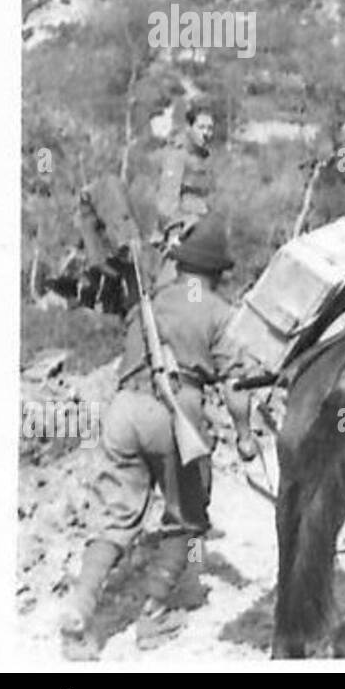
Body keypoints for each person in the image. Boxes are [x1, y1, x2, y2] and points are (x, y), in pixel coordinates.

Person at [59, 215, 259, 657]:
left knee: (115, 517)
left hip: (124, 409)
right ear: (217, 272)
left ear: (181, 262)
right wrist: (244, 436)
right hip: (176, 414)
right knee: (185, 513)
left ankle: (79, 609)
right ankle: (154, 613)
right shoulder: (222, 313)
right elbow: (234, 385)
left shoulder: (150, 298)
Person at [154, 100, 217, 244]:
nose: (206, 133)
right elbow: (167, 198)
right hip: (182, 231)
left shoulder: (204, 158)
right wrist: (175, 232)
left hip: (202, 227)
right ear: (190, 127)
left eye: (210, 128)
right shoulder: (178, 153)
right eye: (201, 127)